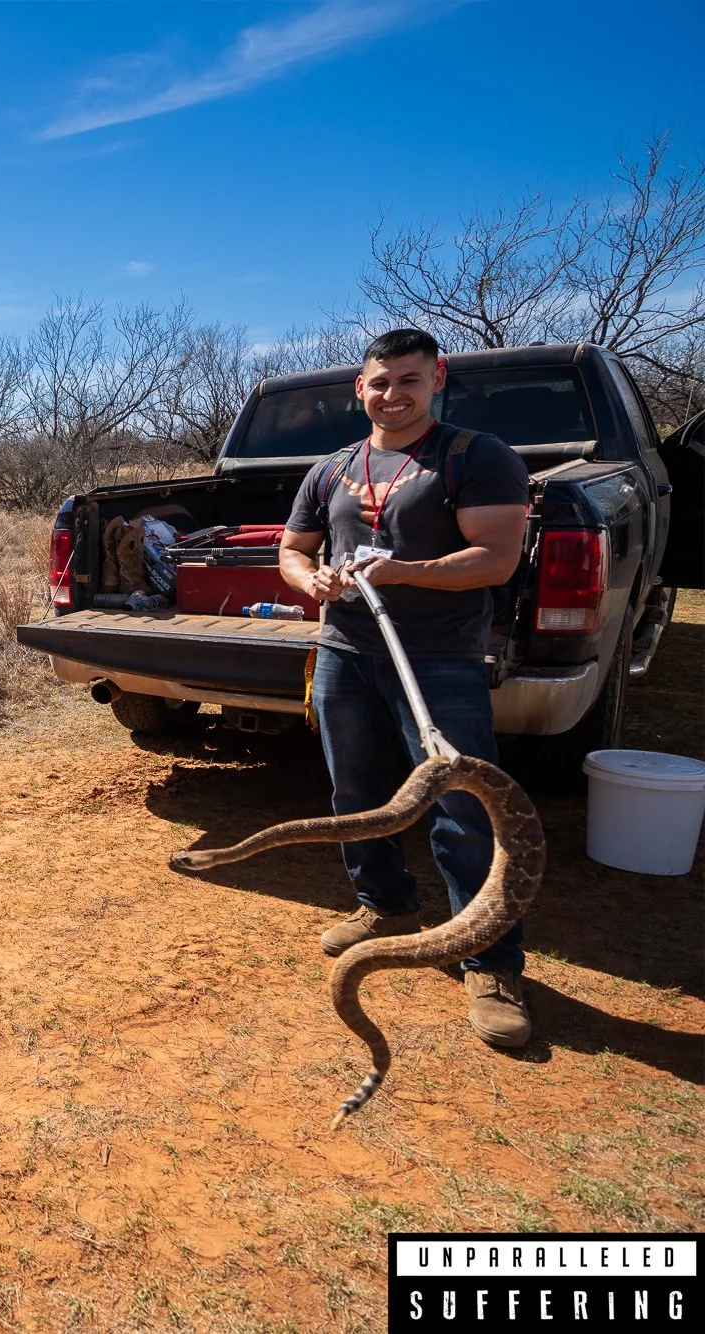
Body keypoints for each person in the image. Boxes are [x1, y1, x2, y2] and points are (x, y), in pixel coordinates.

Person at [279, 328, 534, 1047]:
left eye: (409, 381)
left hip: (438, 658)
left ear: (437, 379)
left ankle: (490, 961)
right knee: (355, 794)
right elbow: (292, 550)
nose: (393, 395)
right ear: (359, 388)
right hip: (344, 652)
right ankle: (385, 904)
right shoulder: (331, 468)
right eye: (381, 382)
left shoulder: (474, 456)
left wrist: (402, 572)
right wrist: (313, 581)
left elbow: (496, 559)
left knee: (462, 807)